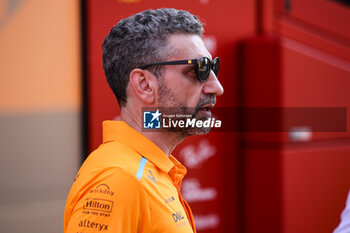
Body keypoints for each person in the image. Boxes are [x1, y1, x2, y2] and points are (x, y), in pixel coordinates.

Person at [63, 8, 223, 233]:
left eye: (213, 67)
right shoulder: (119, 178)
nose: (217, 87)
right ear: (145, 85)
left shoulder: (145, 170)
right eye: (198, 70)